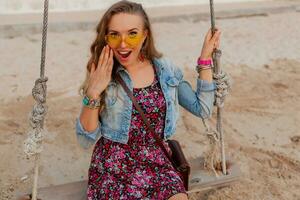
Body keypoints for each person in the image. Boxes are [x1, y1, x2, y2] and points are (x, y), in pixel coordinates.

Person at [75, 0, 221, 199]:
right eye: (115, 35)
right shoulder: (102, 73)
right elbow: (85, 139)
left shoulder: (165, 69)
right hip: (114, 166)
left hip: (158, 162)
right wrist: (92, 93)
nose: (123, 44)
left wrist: (205, 59)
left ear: (145, 35)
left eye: (132, 34)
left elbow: (202, 109)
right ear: (106, 38)